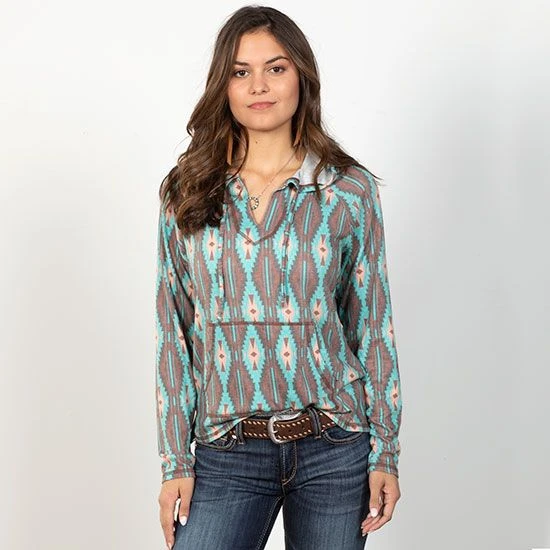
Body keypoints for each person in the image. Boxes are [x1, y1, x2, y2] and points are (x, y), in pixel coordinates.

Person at [155, 5, 402, 549]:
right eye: (240, 71)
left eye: (276, 68)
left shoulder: (347, 190)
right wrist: (175, 461)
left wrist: (385, 451)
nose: (258, 86)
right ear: (223, 85)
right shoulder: (187, 190)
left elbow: (372, 324)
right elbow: (173, 331)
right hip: (226, 449)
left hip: (334, 446)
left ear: (301, 77)